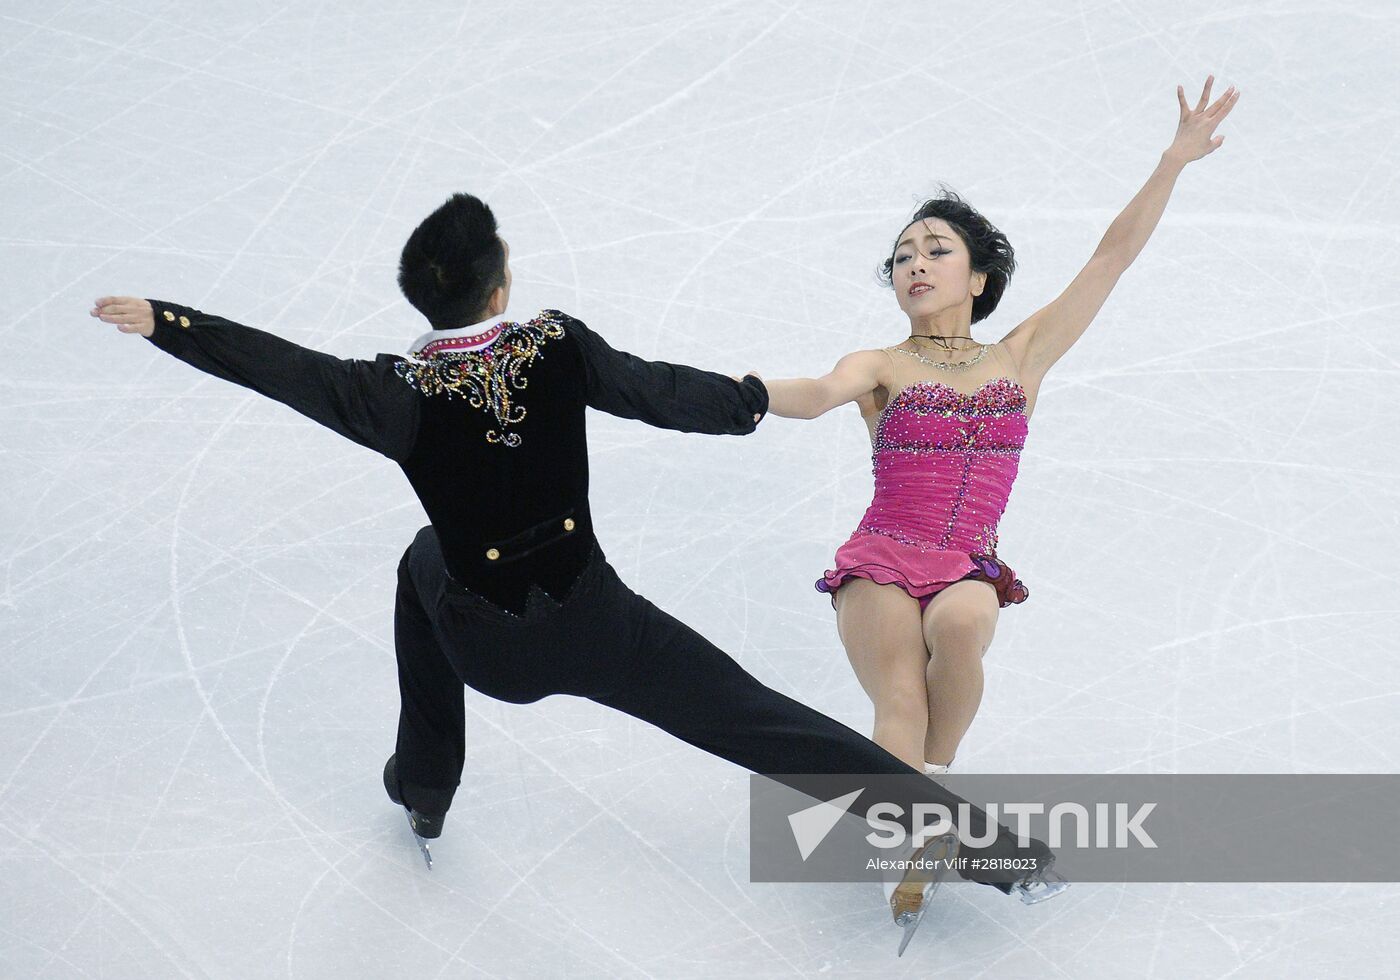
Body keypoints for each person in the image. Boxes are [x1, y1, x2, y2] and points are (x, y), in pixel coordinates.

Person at [91, 191, 1064, 931]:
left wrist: (171, 321)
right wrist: (746, 400)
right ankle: (988, 847)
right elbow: (654, 390)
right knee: (764, 721)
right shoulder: (551, 347)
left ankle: (422, 789)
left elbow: (281, 369)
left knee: (420, 562)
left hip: (490, 648)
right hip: (600, 628)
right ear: (500, 287)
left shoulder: (388, 392)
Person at [750, 76, 1239, 775]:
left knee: (960, 627)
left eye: (936, 249)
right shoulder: (880, 364)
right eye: (902, 255)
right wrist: (743, 393)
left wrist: (1172, 161)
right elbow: (820, 391)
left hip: (965, 563)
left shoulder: (1020, 359)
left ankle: (931, 791)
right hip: (882, 557)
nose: (915, 261)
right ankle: (918, 825)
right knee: (900, 699)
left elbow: (1110, 260)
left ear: (979, 278)